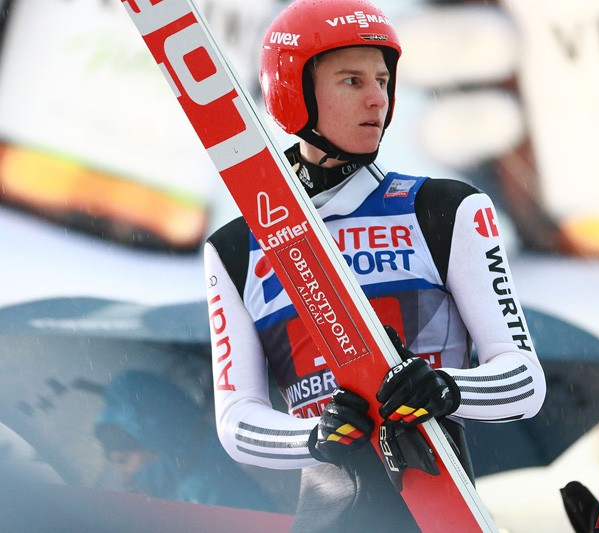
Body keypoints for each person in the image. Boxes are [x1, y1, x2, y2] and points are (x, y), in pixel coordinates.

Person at [203, 0, 546, 530]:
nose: (377, 99)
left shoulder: (446, 209)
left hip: (437, 509)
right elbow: (236, 421)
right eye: (352, 81)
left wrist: (444, 388)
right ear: (294, 92)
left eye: (383, 80)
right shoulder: (234, 247)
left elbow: (523, 381)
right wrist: (314, 437)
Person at [94, 370, 277, 512]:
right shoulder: (185, 490)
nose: (123, 475)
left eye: (123, 460)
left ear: (157, 442)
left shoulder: (206, 494)